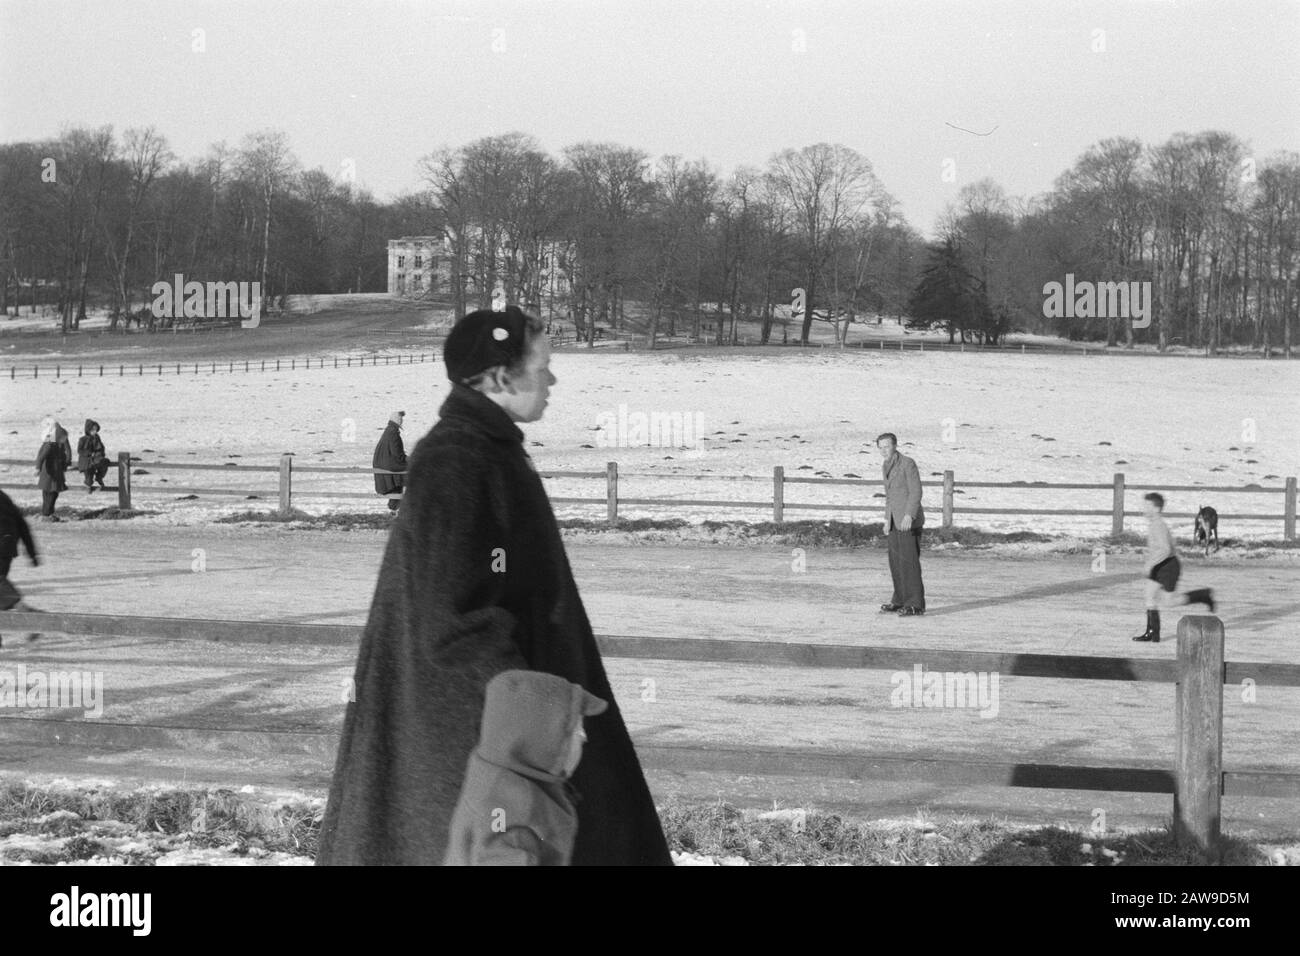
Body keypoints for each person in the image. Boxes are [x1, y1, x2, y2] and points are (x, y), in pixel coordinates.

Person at [317, 305, 671, 866]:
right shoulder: (458, 459)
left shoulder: (487, 450)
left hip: (508, 735)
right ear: (503, 377)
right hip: (480, 746)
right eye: (543, 367)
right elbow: (452, 621)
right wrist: (546, 724)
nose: (552, 380)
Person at [444, 670, 605, 866]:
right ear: (545, 739)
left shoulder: (495, 776)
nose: (584, 738)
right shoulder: (512, 816)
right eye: (577, 732)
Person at [1131, 492, 1215, 643]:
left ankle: (1202, 596)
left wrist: (1150, 564)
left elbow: (1165, 549)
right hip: (1160, 564)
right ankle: (1152, 633)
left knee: (1168, 602)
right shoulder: (1154, 524)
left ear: (1156, 509)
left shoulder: (1158, 525)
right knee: (1149, 595)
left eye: (1147, 506)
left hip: (1169, 566)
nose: (1143, 508)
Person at [877, 432, 926, 616]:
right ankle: (899, 600)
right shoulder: (885, 465)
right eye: (880, 447)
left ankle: (915, 604)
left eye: (887, 446)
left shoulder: (907, 463)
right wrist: (886, 519)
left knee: (909, 562)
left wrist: (909, 515)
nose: (884, 450)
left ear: (895, 445)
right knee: (896, 562)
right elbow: (890, 496)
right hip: (893, 522)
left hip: (907, 522)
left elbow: (915, 492)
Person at [372, 411, 406, 513]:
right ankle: (395, 507)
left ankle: (394, 508)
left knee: (398, 482)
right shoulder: (393, 434)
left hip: (384, 463)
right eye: (400, 419)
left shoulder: (389, 431)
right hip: (389, 464)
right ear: (397, 420)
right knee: (412, 472)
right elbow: (397, 454)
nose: (401, 421)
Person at [35, 420, 67, 520]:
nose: (65, 440)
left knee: (52, 493)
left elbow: (62, 457)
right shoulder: (50, 445)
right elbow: (41, 457)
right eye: (63, 438)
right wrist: (38, 468)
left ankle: (48, 513)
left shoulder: (56, 445)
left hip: (55, 473)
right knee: (50, 493)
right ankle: (47, 514)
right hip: (50, 474)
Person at [76, 419, 109, 493]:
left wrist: (100, 454)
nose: (95, 431)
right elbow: (80, 450)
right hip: (87, 460)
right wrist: (89, 453)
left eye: (96, 429)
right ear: (88, 430)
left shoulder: (97, 438)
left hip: (97, 459)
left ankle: (99, 477)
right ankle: (88, 485)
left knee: (104, 463)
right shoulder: (83, 439)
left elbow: (101, 448)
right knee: (89, 473)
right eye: (93, 429)